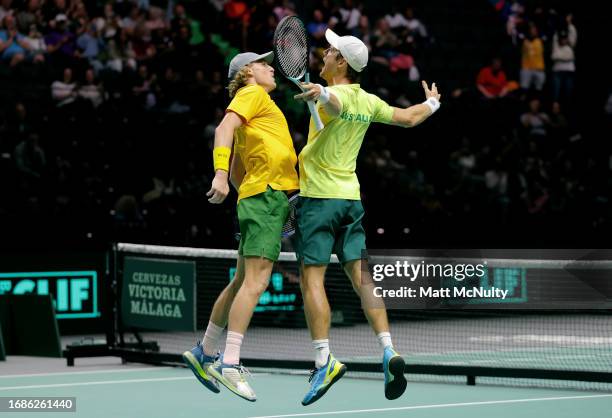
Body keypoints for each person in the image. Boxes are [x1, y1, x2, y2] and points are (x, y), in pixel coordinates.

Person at [293, 29, 441, 406]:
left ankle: (323, 360)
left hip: (320, 201)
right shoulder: (369, 100)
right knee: (362, 277)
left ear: (341, 62)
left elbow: (334, 102)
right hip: (351, 201)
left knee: (312, 280)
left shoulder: (337, 95)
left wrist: (322, 93)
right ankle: (388, 349)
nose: (324, 54)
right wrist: (433, 104)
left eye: (330, 51)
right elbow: (408, 118)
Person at [182, 50, 299, 402]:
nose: (270, 67)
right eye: (263, 64)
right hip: (265, 198)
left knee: (239, 282)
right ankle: (230, 364)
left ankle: (205, 351)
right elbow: (223, 129)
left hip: (256, 197)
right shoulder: (251, 94)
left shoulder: (258, 105)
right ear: (248, 72)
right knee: (257, 282)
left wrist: (240, 189)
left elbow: (238, 168)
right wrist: (219, 174)